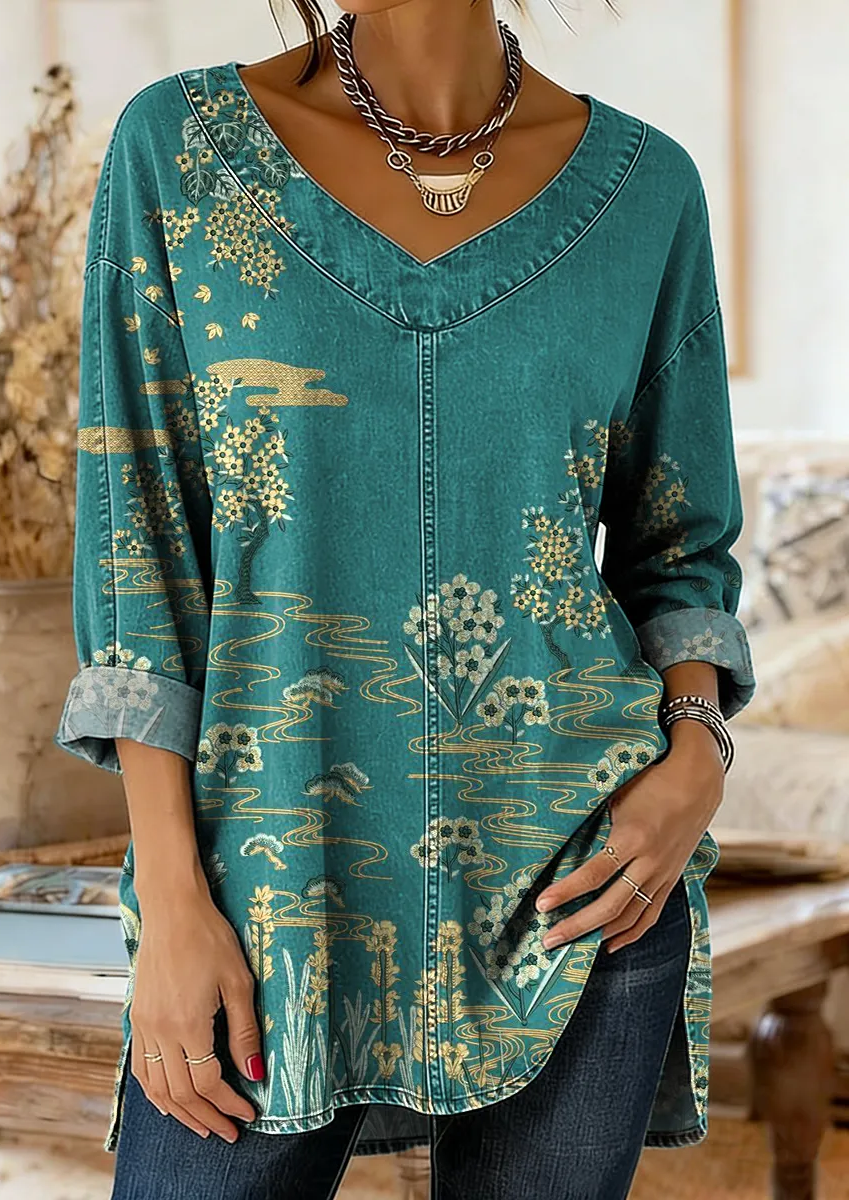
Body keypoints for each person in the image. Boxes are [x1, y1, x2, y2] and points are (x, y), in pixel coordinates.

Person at [55, 1, 757, 1196]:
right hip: (264, 899)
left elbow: (677, 544)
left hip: (581, 887)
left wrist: (696, 759)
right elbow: (139, 551)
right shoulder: (179, 151)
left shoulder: (646, 193)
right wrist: (170, 900)